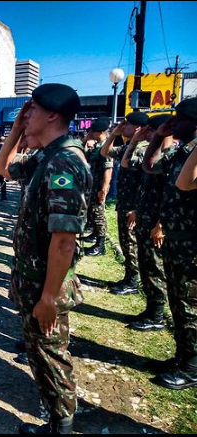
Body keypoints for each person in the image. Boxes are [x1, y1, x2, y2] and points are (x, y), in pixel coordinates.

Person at [0, 84, 91, 435]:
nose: (26, 114)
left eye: (32, 109)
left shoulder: (65, 161)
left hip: (45, 286)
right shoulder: (47, 156)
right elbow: (4, 168)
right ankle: (56, 423)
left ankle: (61, 428)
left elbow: (64, 240)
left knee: (51, 358)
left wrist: (49, 298)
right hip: (33, 281)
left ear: (52, 114)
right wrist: (17, 129)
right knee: (40, 355)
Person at [142, 97, 197, 390]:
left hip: (192, 248)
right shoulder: (180, 153)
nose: (173, 123)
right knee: (179, 304)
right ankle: (182, 358)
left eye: (179, 119)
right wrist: (159, 136)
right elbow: (149, 166)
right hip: (177, 242)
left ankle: (191, 368)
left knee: (191, 308)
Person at [121, 114, 172, 332]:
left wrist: (160, 224)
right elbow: (132, 166)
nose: (148, 134)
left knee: (155, 269)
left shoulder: (172, 156)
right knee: (147, 267)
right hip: (145, 218)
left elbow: (172, 194)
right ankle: (151, 310)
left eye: (153, 130)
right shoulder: (154, 155)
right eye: (148, 130)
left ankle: (158, 314)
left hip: (157, 224)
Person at [100, 112, 149, 295]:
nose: (123, 127)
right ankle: (129, 277)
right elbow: (105, 152)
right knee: (125, 242)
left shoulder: (144, 148)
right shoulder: (129, 145)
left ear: (138, 128)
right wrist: (113, 134)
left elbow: (146, 182)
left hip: (133, 206)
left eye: (126, 124)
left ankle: (133, 281)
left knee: (131, 244)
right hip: (124, 202)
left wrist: (137, 208)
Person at [83, 118, 114, 257]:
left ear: (101, 132)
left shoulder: (106, 147)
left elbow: (108, 169)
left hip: (98, 187)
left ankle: (100, 245)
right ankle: (95, 235)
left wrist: (104, 189)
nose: (91, 133)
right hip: (93, 186)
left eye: (93, 131)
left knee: (98, 214)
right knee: (93, 213)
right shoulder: (97, 146)